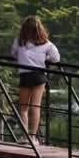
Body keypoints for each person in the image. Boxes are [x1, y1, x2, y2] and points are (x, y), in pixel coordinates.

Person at [11, 15, 60, 143]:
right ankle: (33, 137)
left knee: (23, 108)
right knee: (35, 106)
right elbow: (56, 58)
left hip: (25, 75)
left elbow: (13, 54)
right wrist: (45, 59)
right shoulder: (46, 44)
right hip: (39, 75)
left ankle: (24, 136)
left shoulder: (19, 41)